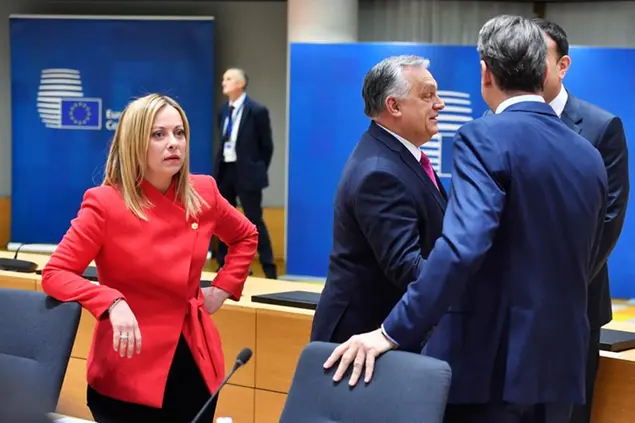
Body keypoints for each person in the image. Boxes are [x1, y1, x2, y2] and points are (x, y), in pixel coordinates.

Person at [323, 15, 608, 423]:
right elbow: (589, 255)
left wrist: (391, 332)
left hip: (491, 365)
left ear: (486, 71)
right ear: (543, 70)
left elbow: (461, 249)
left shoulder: (484, 136)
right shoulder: (588, 154)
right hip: (561, 367)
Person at [41, 94, 259, 423]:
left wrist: (223, 287)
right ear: (134, 143)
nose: (173, 143)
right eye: (158, 135)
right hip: (129, 365)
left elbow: (245, 236)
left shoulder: (204, 192)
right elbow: (55, 273)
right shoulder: (104, 204)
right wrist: (110, 300)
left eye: (179, 133)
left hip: (193, 360)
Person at [310, 55, 447, 351]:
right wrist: (466, 282)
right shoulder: (379, 172)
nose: (440, 104)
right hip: (363, 343)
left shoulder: (399, 154)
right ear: (393, 106)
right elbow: (407, 266)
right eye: (428, 95)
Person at [532, 18, 630, 423]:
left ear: (563, 65)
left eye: (538, 57)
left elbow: (608, 218)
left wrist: (558, 286)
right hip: (509, 309)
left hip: (575, 303)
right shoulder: (494, 125)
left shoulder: (600, 126)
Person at [213, 68, 277, 279]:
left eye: (228, 79)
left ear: (240, 84)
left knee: (254, 219)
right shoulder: (224, 110)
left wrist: (256, 169)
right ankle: (223, 264)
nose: (224, 82)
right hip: (226, 171)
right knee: (223, 218)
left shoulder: (257, 110)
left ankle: (269, 268)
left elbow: (267, 146)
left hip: (248, 173)